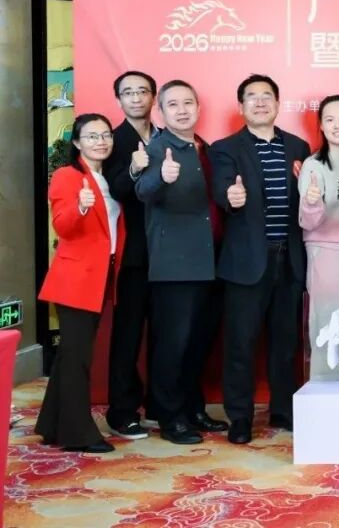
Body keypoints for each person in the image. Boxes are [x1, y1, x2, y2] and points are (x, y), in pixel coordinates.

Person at [210, 74, 310, 444]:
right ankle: (239, 417)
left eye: (267, 96)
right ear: (241, 107)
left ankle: (283, 409)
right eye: (252, 97)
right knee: (240, 343)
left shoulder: (298, 146)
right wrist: (231, 196)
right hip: (246, 261)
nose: (260, 102)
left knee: (286, 342)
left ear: (278, 103)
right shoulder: (225, 148)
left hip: (290, 258)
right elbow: (222, 187)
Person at [136, 80, 229, 445]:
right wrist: (161, 177)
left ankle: (193, 408)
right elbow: (143, 190)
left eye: (188, 103)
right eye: (172, 104)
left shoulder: (204, 147)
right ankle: (170, 416)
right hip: (175, 264)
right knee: (173, 344)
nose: (182, 110)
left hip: (209, 260)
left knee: (198, 342)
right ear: (160, 111)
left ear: (198, 107)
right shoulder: (157, 148)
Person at [35, 113, 126, 453]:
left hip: (100, 278)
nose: (100, 141)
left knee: (69, 357)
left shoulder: (106, 177)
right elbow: (62, 225)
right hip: (75, 281)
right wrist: (81, 207)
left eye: (105, 135)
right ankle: (78, 434)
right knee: (78, 359)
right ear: (76, 142)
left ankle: (51, 425)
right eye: (91, 136)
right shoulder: (67, 176)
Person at [101, 71, 157, 440]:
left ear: (153, 97)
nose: (136, 98)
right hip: (133, 252)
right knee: (128, 334)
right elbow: (114, 188)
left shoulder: (166, 137)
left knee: (166, 334)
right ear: (119, 100)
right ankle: (121, 411)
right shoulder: (113, 140)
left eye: (142, 91)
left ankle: (160, 405)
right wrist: (135, 168)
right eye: (128, 92)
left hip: (168, 252)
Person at [299, 95, 339, 312]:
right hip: (327, 249)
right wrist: (311, 203)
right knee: (328, 322)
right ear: (321, 125)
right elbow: (308, 222)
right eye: (329, 120)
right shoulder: (313, 165)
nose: (337, 125)